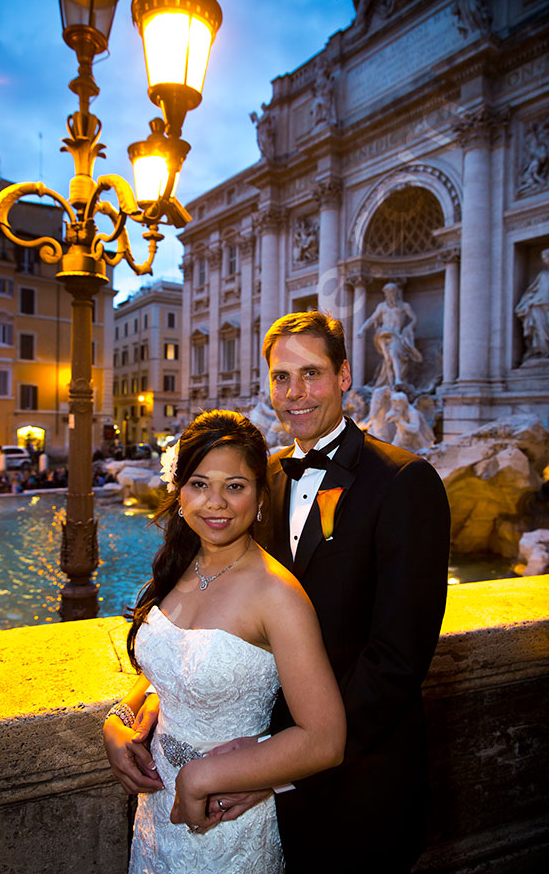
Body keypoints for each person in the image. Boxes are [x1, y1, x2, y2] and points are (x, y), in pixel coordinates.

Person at [231, 310, 448, 873]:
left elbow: (397, 659)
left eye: (312, 374)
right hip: (268, 780)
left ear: (345, 376)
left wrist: (284, 764)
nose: (294, 394)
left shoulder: (405, 480)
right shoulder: (268, 477)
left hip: (361, 787)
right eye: (281, 378)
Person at [103, 409, 346, 874]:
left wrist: (202, 776)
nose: (215, 502)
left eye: (234, 486)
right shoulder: (180, 564)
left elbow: (325, 740)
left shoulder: (278, 597)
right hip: (155, 817)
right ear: (179, 493)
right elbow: (171, 669)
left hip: (228, 823)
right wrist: (120, 719)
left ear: (258, 497)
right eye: (199, 484)